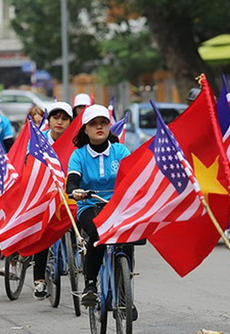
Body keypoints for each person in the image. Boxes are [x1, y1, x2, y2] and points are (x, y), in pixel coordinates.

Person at [66, 104, 130, 306]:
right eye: (93, 124)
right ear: (85, 129)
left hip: (117, 205)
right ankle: (91, 284)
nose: (99, 127)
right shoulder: (79, 155)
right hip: (89, 205)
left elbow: (132, 174)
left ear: (109, 126)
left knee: (128, 238)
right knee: (96, 235)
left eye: (103, 122)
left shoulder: (120, 150)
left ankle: (125, 295)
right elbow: (73, 179)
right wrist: (75, 190)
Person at [30, 101, 73, 300]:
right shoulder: (39, 142)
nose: (60, 122)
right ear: (49, 120)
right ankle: (39, 279)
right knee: (43, 233)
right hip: (45, 196)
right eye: (56, 117)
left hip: (69, 197)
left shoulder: (76, 144)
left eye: (65, 119)